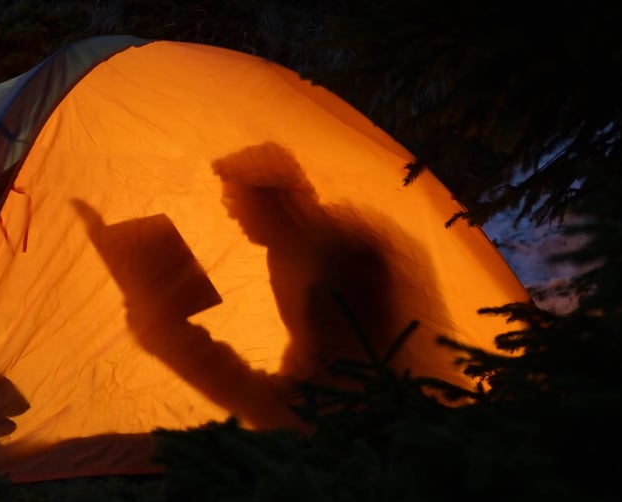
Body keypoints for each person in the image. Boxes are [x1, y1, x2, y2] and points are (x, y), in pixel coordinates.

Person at [119, 142, 451, 431]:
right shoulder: (287, 252)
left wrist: (170, 336)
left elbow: (322, 398)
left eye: (236, 200)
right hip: (338, 413)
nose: (231, 214)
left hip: (368, 433)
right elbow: (306, 369)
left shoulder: (344, 267)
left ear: (274, 201)